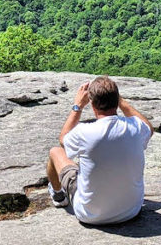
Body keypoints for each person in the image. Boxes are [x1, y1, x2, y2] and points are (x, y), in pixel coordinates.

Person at [46, 76, 154, 225]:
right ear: (116, 101)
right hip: (131, 211)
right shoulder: (135, 126)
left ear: (92, 104)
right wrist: (121, 101)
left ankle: (59, 197)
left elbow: (63, 139)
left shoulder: (84, 132)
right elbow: (148, 127)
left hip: (89, 215)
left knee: (55, 152)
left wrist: (77, 106)